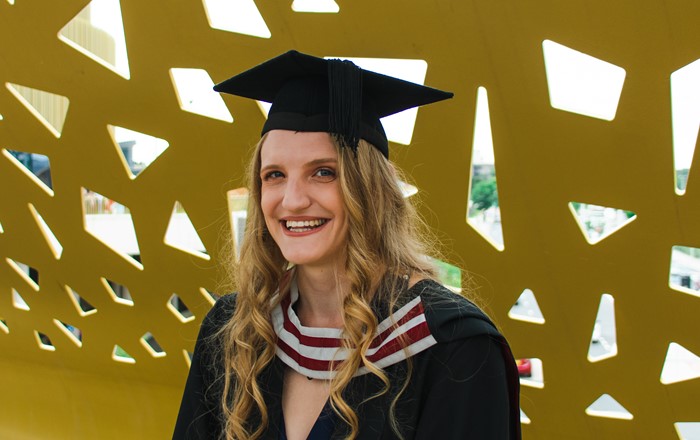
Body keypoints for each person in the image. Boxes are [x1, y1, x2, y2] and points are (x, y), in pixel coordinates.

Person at [173, 50, 521, 440]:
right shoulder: (233, 330)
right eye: (274, 175)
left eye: (323, 172)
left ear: (373, 188)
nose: (292, 200)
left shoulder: (452, 348)